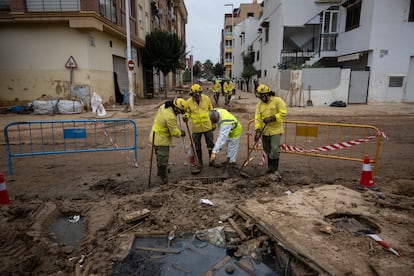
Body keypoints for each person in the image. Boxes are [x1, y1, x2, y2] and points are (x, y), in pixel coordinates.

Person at [149, 97, 187, 184]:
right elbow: (174, 132)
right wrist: (181, 133)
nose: (179, 114)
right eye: (179, 112)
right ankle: (164, 177)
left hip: (154, 135)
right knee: (163, 158)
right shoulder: (170, 117)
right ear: (175, 108)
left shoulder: (164, 106)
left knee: (159, 156)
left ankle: (160, 171)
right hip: (161, 139)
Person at [254, 84, 287, 179]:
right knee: (267, 149)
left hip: (275, 130)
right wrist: (257, 130)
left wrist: (273, 118)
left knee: (275, 149)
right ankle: (270, 168)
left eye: (262, 96)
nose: (261, 99)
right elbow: (257, 118)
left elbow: (283, 113)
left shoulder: (277, 101)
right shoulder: (259, 105)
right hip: (265, 131)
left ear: (267, 94)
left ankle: (275, 169)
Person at [183, 84, 215, 167]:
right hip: (196, 128)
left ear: (200, 93)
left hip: (207, 126)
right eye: (194, 95)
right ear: (192, 95)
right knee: (197, 146)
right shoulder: (188, 102)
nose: (196, 96)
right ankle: (200, 163)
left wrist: (214, 123)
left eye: (198, 94)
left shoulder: (206, 99)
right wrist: (186, 116)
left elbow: (211, 111)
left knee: (210, 145)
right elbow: (187, 112)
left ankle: (212, 160)